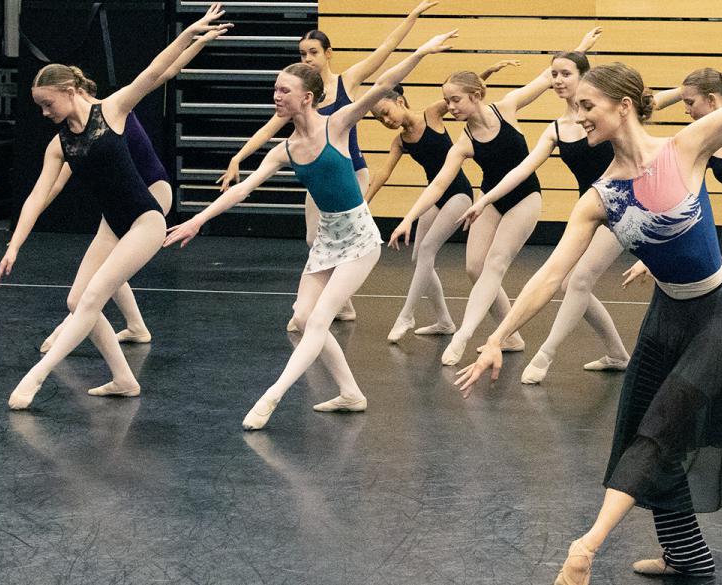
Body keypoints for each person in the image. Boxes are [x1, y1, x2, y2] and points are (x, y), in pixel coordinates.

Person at [453, 3, 722, 582]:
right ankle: (686, 556)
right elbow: (550, 275)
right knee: (641, 431)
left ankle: (585, 548)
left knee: (663, 428)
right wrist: (496, 339)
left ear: (622, 106)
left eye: (586, 106)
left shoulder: (683, 148)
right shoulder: (599, 197)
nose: (578, 117)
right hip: (667, 317)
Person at [164, 30, 462, 430]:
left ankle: (272, 396)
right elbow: (243, 190)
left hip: (359, 238)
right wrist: (199, 219)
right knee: (304, 318)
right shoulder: (283, 150)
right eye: (275, 89)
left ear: (306, 97)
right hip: (327, 239)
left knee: (319, 321)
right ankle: (350, 393)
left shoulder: (337, 124)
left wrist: (422, 50)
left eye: (283, 90)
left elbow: (384, 84)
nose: (276, 96)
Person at [0, 5, 232, 410]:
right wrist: (15, 244)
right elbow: (37, 195)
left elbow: (156, 72)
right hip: (115, 221)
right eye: (39, 106)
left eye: (48, 104)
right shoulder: (60, 143)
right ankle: (124, 378)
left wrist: (190, 33)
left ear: (70, 91)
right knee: (77, 302)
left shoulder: (113, 109)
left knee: (91, 301)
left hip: (146, 217)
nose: (44, 113)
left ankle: (35, 378)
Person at [388, 28, 605, 367]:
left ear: (476, 95)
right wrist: (408, 218)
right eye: (446, 100)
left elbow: (549, 78)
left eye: (455, 99)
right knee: (474, 267)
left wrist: (579, 48)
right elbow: (437, 185)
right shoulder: (464, 142)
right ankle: (511, 336)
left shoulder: (507, 107)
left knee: (496, 262)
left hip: (525, 197)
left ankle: (467, 335)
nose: (450, 106)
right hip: (490, 199)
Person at [219, 1, 440, 324]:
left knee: (351, 236)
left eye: (313, 53)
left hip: (351, 171)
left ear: (327, 54)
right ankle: (343, 305)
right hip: (319, 175)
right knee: (314, 239)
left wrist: (413, 17)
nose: (306, 59)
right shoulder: (301, 93)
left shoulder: (347, 81)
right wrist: (238, 157)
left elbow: (387, 49)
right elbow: (270, 129)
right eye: (303, 54)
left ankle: (333, 302)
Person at [452, 38, 631, 384]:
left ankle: (545, 354)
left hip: (623, 205)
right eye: (554, 74)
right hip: (590, 209)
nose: (558, 80)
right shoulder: (555, 130)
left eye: (566, 73)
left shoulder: (606, 117)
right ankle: (618, 353)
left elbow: (647, 107)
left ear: (584, 77)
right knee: (571, 282)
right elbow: (522, 169)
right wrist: (485, 199)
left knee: (576, 281)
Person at [36, 30, 224, 352]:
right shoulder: (79, 131)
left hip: (153, 191)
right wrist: (34, 213)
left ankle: (71, 325)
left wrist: (199, 40)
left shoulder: (114, 111)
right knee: (111, 262)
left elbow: (164, 71)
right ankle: (135, 326)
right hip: (125, 200)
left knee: (109, 261)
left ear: (76, 92)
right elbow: (58, 179)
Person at [363, 61, 519, 343]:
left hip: (458, 192)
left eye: (386, 113)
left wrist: (484, 73)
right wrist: (365, 203)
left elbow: (460, 97)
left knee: (426, 250)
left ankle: (406, 315)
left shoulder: (432, 114)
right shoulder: (401, 142)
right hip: (435, 195)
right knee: (419, 257)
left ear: (400, 101)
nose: (386, 121)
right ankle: (444, 321)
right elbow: (383, 173)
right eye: (380, 120)